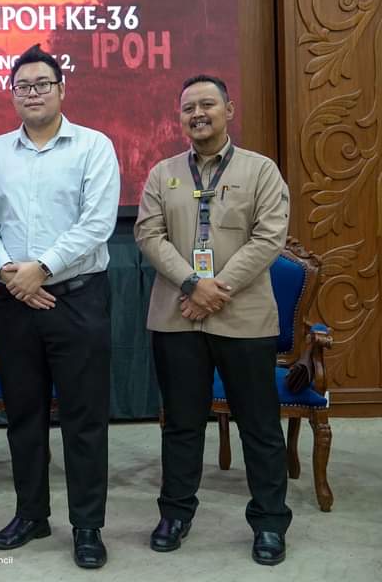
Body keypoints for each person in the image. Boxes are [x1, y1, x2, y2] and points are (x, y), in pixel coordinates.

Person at [0, 44, 120, 569]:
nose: (32, 93)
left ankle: (87, 526)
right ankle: (31, 514)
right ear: (12, 95)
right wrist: (8, 273)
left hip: (77, 300)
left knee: (84, 419)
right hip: (13, 301)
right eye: (23, 86)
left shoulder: (93, 146)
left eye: (42, 84)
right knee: (23, 417)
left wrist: (42, 268)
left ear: (62, 89)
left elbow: (97, 223)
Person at [134, 74, 292, 565]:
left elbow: (269, 238)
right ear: (180, 118)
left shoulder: (261, 170)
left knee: (259, 427)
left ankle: (269, 522)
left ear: (229, 109)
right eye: (188, 108)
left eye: (207, 105)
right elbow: (149, 235)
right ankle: (175, 514)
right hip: (177, 318)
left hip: (244, 318)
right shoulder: (162, 173)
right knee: (181, 425)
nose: (197, 114)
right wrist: (191, 284)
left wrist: (215, 290)